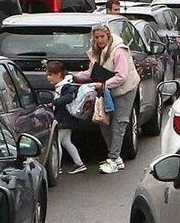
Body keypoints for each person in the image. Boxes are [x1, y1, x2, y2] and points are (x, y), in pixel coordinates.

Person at [84, 22, 138, 174]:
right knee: (103, 121)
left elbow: (122, 76)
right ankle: (116, 157)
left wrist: (102, 84)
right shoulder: (96, 51)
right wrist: (73, 77)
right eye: (96, 38)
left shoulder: (119, 50)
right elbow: (91, 72)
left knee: (119, 123)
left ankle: (113, 158)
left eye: (102, 36)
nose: (100, 40)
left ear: (108, 35)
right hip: (107, 90)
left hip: (124, 90)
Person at [43, 59, 90, 174]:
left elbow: (69, 98)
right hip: (66, 119)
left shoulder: (66, 86)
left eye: (50, 75)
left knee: (56, 142)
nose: (48, 78)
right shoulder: (62, 85)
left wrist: (55, 102)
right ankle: (79, 163)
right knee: (66, 142)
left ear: (58, 74)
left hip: (64, 119)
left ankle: (56, 166)